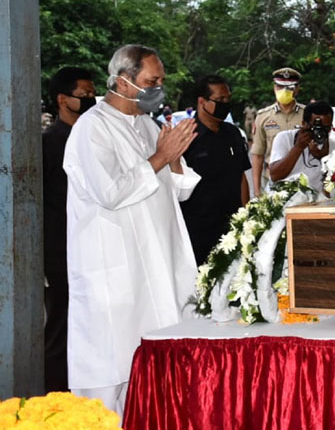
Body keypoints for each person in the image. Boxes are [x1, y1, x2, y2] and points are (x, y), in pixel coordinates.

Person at [62, 44, 200, 415]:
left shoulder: (147, 123)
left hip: (157, 265)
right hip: (115, 275)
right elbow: (110, 192)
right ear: (122, 81)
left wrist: (172, 159)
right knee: (109, 374)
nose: (159, 88)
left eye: (161, 81)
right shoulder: (92, 129)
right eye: (151, 81)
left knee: (154, 372)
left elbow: (180, 190)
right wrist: (160, 157)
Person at [42, 67, 97, 391]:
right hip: (61, 250)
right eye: (84, 94)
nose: (91, 99)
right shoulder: (50, 142)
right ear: (63, 100)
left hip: (94, 246)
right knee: (61, 325)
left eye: (93, 93)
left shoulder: (93, 137)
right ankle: (56, 397)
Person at [180, 75, 251, 266]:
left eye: (228, 99)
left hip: (232, 227)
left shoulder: (233, 133)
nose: (225, 104)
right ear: (201, 101)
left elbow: (242, 177)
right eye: (220, 100)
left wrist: (246, 217)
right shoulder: (185, 137)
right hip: (198, 231)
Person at [251, 68, 305, 196]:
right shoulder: (263, 117)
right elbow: (258, 155)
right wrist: (257, 191)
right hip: (273, 181)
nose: (284, 91)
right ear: (274, 88)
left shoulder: (307, 115)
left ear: (297, 89)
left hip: (302, 181)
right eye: (280, 87)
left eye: (289, 87)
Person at [269, 101, 335, 193]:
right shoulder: (285, 138)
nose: (320, 132)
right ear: (304, 124)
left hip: (317, 202)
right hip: (286, 198)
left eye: (326, 128)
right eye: (316, 127)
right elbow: (275, 176)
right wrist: (298, 147)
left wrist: (324, 159)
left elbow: (330, 191)